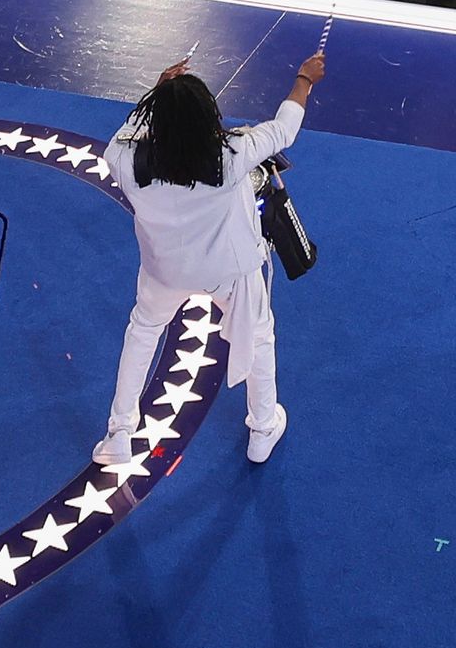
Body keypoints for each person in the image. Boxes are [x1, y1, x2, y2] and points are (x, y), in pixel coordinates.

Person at [100, 50, 321, 471]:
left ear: (155, 120)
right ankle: (261, 428)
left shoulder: (126, 160)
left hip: (164, 272)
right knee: (258, 337)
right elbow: (284, 130)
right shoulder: (232, 154)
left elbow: (123, 136)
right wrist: (303, 79)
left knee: (143, 333)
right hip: (230, 272)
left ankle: (120, 433)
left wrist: (159, 91)